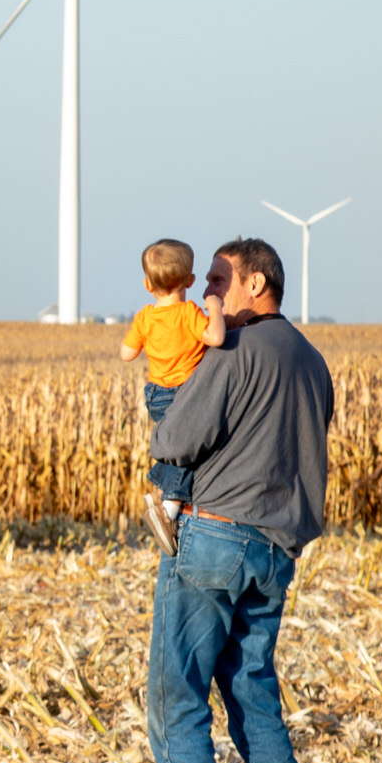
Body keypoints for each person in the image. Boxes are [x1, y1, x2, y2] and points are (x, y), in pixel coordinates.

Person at [146, 236, 336, 763]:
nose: (208, 292)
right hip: (277, 551)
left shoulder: (233, 351)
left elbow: (176, 438)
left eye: (221, 280)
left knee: (177, 699)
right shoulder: (313, 362)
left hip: (216, 538)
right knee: (253, 693)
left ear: (259, 284)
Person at [119, 238, 226, 557]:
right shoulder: (189, 313)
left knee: (175, 449)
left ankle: (166, 502)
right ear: (191, 281)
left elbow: (126, 354)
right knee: (190, 453)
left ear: (147, 284)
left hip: (155, 394)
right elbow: (216, 337)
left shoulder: (144, 317)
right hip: (185, 394)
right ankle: (169, 509)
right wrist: (216, 307)